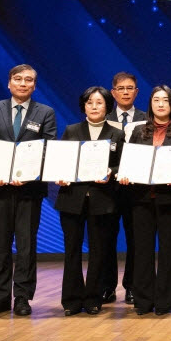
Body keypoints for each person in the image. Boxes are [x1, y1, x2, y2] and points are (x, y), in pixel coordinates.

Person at [0, 64, 57, 317]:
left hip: (29, 190)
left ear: (34, 85)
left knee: (26, 245)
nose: (23, 83)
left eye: (28, 80)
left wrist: (29, 174)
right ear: (9, 83)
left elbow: (48, 148)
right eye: (18, 79)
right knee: (0, 244)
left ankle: (22, 297)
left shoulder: (45, 112)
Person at [120, 85, 171, 316]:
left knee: (169, 251)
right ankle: (143, 301)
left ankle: (164, 301)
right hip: (141, 198)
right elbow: (129, 158)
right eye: (156, 100)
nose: (160, 104)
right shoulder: (138, 131)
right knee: (142, 250)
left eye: (165, 100)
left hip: (170, 199)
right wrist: (126, 174)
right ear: (150, 104)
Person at [54, 86, 124, 315]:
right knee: (72, 250)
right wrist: (60, 175)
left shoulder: (117, 134)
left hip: (102, 199)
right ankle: (71, 300)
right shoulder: (72, 130)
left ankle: (94, 298)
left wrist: (112, 172)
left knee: (99, 251)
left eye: (99, 102)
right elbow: (61, 162)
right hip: (72, 199)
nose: (94, 106)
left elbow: (122, 164)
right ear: (84, 106)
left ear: (107, 106)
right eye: (90, 102)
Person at [104, 70, 146, 305]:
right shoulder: (103, 116)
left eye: (130, 88)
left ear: (136, 92)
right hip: (108, 188)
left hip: (137, 189)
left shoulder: (146, 118)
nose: (126, 92)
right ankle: (107, 287)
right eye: (121, 88)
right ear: (113, 92)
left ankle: (132, 286)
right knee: (107, 238)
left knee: (136, 239)